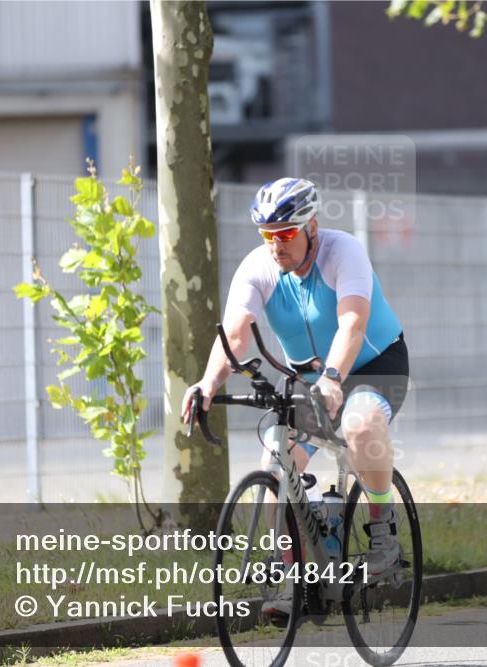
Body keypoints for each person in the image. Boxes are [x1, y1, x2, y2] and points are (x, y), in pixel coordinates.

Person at [181, 177, 409, 616]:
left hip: (373, 366)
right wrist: (209, 383)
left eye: (285, 234)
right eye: (268, 235)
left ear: (312, 228)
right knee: (274, 464)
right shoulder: (258, 268)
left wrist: (332, 378)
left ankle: (384, 531)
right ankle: (293, 581)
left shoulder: (343, 252)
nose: (276, 245)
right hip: (309, 377)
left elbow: (352, 325)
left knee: (361, 424)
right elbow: (235, 335)